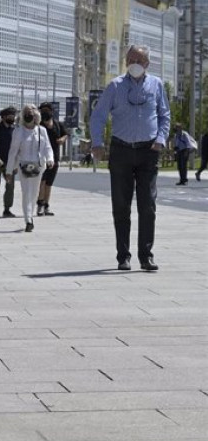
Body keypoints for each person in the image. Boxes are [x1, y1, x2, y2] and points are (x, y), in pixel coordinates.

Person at [90, 44, 169, 272]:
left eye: (139, 60)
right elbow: (99, 116)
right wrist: (97, 142)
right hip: (121, 150)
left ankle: (146, 256)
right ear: (126, 62)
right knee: (121, 205)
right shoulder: (115, 86)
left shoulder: (156, 84)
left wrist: (161, 139)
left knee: (148, 205)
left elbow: (164, 114)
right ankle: (123, 256)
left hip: (148, 151)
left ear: (147, 64)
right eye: (131, 59)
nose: (134, 63)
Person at [6, 105, 54, 232]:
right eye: (26, 112)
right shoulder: (18, 131)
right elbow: (13, 151)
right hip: (24, 166)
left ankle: (30, 214)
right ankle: (28, 220)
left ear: (36, 116)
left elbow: (47, 147)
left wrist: (50, 159)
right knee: (26, 192)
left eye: (31, 113)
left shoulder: (41, 130)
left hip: (38, 166)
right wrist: (9, 171)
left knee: (34, 193)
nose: (28, 115)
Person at [36, 102, 68, 216]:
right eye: (42, 110)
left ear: (51, 111)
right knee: (42, 182)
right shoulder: (38, 125)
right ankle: (40, 204)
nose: (44, 112)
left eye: (46, 110)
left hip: (55, 157)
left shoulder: (58, 124)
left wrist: (62, 140)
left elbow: (65, 134)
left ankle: (46, 205)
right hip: (42, 158)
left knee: (49, 183)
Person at [0, 107, 17, 218]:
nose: (12, 118)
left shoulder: (15, 129)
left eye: (13, 116)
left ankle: (7, 209)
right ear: (3, 117)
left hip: (10, 162)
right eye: (10, 116)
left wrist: (16, 163)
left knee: (10, 186)